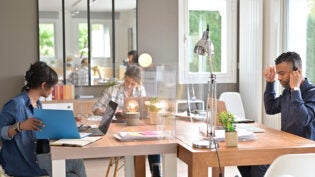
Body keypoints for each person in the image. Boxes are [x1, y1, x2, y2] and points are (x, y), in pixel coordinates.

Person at [0, 61, 87, 177]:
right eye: (52, 86)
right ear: (43, 85)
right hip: (22, 163)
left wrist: (65, 122)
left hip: (36, 155)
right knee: (77, 163)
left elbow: (40, 129)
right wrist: (20, 126)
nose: (53, 90)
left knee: (74, 172)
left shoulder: (37, 103)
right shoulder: (16, 104)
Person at [238, 51, 315, 177]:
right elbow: (271, 108)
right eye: (278, 73)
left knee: (259, 164)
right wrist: (270, 83)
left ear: (297, 72)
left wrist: (295, 89)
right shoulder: (288, 93)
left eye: (282, 74)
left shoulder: (311, 93)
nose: (279, 77)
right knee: (244, 158)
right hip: (284, 148)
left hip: (302, 154)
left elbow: (302, 119)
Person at [92, 64, 161, 177]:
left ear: (138, 83)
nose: (129, 86)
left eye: (133, 83)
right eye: (127, 81)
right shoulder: (112, 90)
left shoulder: (140, 89)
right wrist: (110, 111)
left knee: (153, 139)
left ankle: (156, 172)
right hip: (117, 129)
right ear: (124, 77)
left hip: (135, 127)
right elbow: (95, 109)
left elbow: (143, 112)